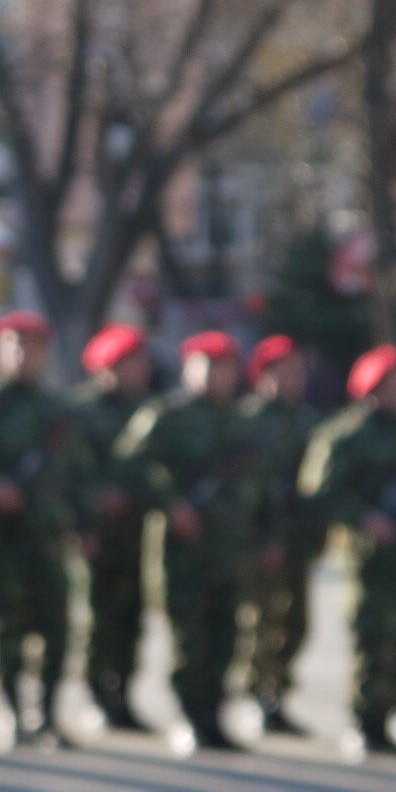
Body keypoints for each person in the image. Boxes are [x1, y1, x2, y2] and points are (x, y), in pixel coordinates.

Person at [299, 344, 396, 759]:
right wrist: (364, 518)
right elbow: (320, 489)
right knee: (374, 641)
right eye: (395, 383)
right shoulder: (345, 435)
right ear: (371, 388)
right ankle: (365, 722)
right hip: (368, 560)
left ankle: (388, 720)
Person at [118, 330, 260, 754]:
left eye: (226, 367)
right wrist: (170, 503)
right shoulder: (167, 415)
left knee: (227, 636)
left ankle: (215, 718)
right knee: (188, 639)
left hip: (231, 547)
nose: (218, 376)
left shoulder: (242, 421)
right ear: (188, 368)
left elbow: (262, 486)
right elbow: (131, 462)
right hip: (184, 549)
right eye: (208, 365)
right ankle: (187, 717)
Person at [0, 309, 81, 747]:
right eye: (15, 344)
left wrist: (83, 523)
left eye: (34, 346)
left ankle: (45, 713)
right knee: (4, 628)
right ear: (0, 349)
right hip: (1, 536)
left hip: (48, 535)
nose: (25, 354)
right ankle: (8, 711)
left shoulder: (56, 409)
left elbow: (78, 473)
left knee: (58, 629)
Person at [72, 322, 155, 732]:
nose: (140, 370)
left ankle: (123, 692)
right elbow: (70, 471)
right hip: (98, 532)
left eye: (142, 362)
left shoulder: (148, 409)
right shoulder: (82, 412)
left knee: (133, 615)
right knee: (100, 615)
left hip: (138, 531)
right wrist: (87, 516)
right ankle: (96, 692)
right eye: (130, 363)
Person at [236, 334, 320, 736]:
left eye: (299, 370)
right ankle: (256, 695)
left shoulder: (307, 421)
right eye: (287, 370)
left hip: (299, 537)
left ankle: (278, 694)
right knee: (261, 621)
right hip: (257, 538)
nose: (296, 378)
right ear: (264, 374)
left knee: (298, 622)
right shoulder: (246, 421)